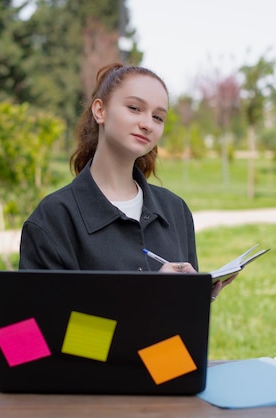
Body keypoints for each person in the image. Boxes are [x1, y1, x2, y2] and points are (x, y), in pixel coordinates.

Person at [19, 63, 234, 301]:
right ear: (100, 110)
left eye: (158, 117)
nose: (147, 124)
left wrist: (194, 298)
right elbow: (26, 334)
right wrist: (145, 295)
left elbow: (182, 329)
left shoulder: (176, 211)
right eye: (134, 108)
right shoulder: (54, 218)